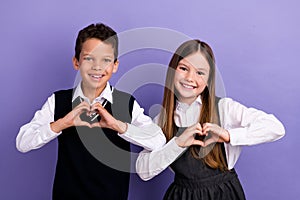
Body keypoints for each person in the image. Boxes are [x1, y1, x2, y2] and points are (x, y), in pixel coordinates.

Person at [16, 23, 166, 200]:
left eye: (106, 60)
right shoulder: (58, 101)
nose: (97, 66)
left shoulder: (127, 104)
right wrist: (63, 123)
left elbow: (158, 141)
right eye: (89, 58)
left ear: (115, 65)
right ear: (76, 62)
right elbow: (22, 142)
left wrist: (118, 126)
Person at [136, 39, 285, 200]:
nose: (189, 77)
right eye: (184, 68)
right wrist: (177, 144)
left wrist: (228, 135)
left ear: (209, 79)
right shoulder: (161, 120)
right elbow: (143, 171)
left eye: (200, 72)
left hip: (223, 195)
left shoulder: (224, 109)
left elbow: (276, 128)